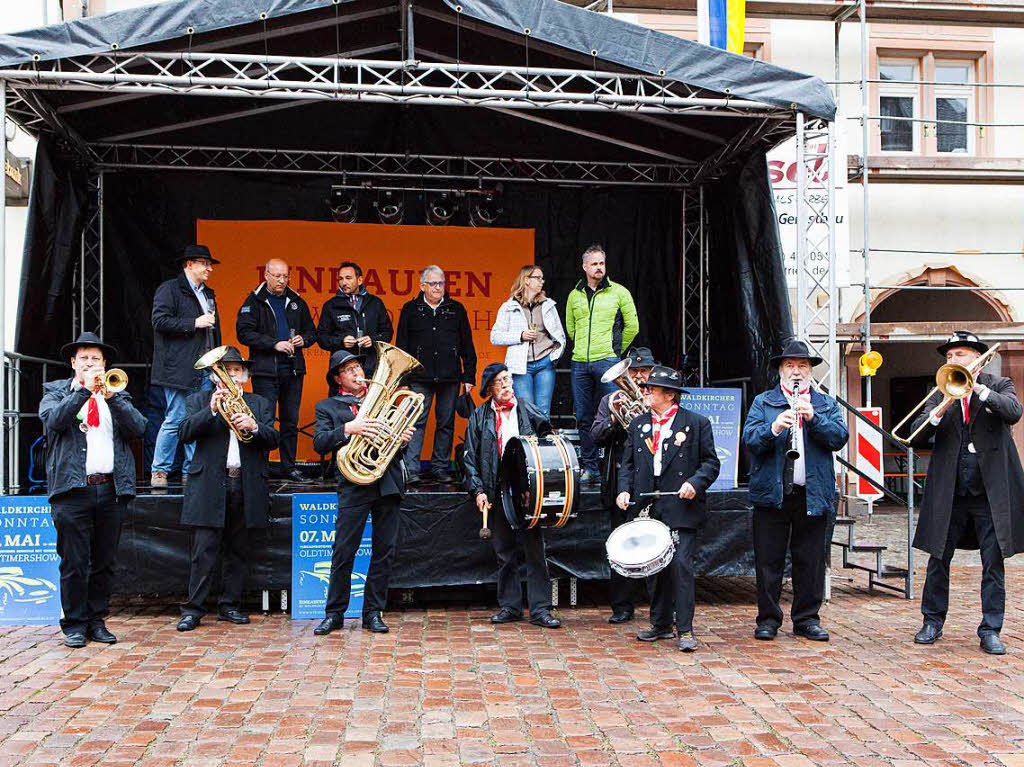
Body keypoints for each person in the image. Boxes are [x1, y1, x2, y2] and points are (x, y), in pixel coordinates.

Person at [910, 330, 1024, 655]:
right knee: (937, 559)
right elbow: (915, 434)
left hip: (989, 494)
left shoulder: (998, 385)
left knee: (993, 563)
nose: (952, 361)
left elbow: (1014, 411)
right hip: (951, 493)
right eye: (948, 356)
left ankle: (991, 628)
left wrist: (982, 392)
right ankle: (932, 621)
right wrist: (939, 411)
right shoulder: (940, 391)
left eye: (959, 355)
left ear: (977, 357)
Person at [38, 332, 147, 648]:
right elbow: (54, 422)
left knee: (104, 561)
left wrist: (111, 398)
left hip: (110, 490)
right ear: (73, 363)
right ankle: (74, 624)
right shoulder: (55, 392)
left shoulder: (117, 395)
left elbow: (139, 428)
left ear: (105, 364)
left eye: (95, 359)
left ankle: (97, 621)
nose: (90, 363)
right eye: (84, 358)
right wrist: (82, 392)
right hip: (72, 491)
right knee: (73, 561)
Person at [742, 339, 849, 643]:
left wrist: (813, 418)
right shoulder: (764, 402)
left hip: (812, 493)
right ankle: (768, 619)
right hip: (772, 494)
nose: (797, 371)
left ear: (811, 371)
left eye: (803, 365)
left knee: (811, 560)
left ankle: (806, 619)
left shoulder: (825, 403)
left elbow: (840, 437)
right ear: (780, 370)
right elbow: (749, 442)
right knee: (768, 561)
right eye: (790, 365)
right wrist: (774, 427)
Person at [311, 350, 415, 635]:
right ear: (337, 378)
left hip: (387, 483)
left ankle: (373, 612)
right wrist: (348, 428)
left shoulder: (384, 401)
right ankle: (334, 613)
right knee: (344, 550)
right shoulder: (328, 407)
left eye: (358, 367)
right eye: (349, 370)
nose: (357, 373)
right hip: (353, 484)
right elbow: (319, 443)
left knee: (384, 551)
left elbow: (397, 445)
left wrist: (402, 438)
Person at [616, 366, 719, 652]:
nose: (645, 392)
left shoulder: (697, 423)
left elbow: (711, 463)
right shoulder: (638, 425)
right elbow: (627, 464)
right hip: (648, 505)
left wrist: (695, 483)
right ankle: (660, 623)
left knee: (681, 566)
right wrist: (624, 490)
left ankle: (684, 628)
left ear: (670, 395)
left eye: (652, 389)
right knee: (654, 567)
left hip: (681, 504)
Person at [175, 346, 278, 631]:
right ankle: (193, 610)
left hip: (245, 483)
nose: (230, 375)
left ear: (244, 376)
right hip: (210, 483)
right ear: (214, 377)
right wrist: (210, 410)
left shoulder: (259, 404)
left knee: (238, 549)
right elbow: (184, 433)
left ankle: (229, 606)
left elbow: (274, 439)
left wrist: (255, 427)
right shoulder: (198, 400)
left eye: (235, 370)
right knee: (203, 551)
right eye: (225, 370)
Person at [463, 363, 562, 628]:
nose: (506, 385)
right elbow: (469, 458)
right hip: (497, 490)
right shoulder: (480, 416)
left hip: (527, 490)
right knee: (504, 553)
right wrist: (479, 491)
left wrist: (539, 484)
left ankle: (541, 609)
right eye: (500, 382)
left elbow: (549, 441)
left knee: (535, 551)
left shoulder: (527, 408)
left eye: (508, 379)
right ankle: (510, 606)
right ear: (489, 389)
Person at [591, 346, 658, 624]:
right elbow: (595, 434)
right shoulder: (611, 400)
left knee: (658, 541)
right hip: (621, 479)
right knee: (620, 542)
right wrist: (615, 422)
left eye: (644, 371)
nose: (639, 377)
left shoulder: (663, 397)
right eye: (634, 372)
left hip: (653, 479)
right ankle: (622, 605)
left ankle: (661, 606)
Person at [236, 258, 317, 483]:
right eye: (277, 276)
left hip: (292, 370)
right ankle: (260, 467)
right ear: (266, 275)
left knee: (291, 421)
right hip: (265, 372)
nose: (282, 280)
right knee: (264, 420)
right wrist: (274, 343)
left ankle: (289, 468)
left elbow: (313, 331)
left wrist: (305, 339)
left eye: (285, 276)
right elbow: (243, 333)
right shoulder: (254, 301)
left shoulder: (296, 301)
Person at [395, 266, 477, 484]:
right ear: (422, 285)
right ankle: (411, 470)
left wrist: (469, 377)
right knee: (416, 422)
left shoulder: (456, 309)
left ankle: (440, 467)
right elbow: (400, 347)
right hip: (419, 378)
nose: (438, 288)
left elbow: (467, 345)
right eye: (433, 283)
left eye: (441, 283)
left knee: (446, 423)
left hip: (450, 377)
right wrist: (402, 380)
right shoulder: (410, 309)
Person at [566, 244, 639, 483]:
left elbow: (633, 326)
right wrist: (580, 348)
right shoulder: (574, 294)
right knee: (584, 417)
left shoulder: (619, 292)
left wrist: (614, 351)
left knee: (616, 415)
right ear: (584, 266)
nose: (599, 268)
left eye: (602, 263)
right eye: (594, 264)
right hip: (579, 363)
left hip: (608, 361)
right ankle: (591, 469)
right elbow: (571, 328)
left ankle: (617, 468)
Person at [150, 244, 222, 488]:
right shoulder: (169, 289)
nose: (209, 269)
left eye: (210, 264)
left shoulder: (209, 294)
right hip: (178, 368)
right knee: (175, 418)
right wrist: (194, 322)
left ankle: (191, 470)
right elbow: (159, 321)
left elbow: (214, 333)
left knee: (197, 419)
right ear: (189, 264)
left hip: (204, 367)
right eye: (205, 263)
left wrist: (217, 366)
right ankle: (159, 470)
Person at [490, 265, 566, 419]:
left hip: (545, 363)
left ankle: (543, 442)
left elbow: (560, 335)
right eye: (537, 278)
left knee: (543, 410)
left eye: (542, 278)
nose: (541, 282)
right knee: (526, 411)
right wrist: (520, 335)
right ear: (526, 280)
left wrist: (554, 356)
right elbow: (495, 337)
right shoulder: (508, 307)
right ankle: (529, 443)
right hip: (521, 367)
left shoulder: (548, 305)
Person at [318, 261, 394, 382]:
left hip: (371, 368)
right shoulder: (330, 305)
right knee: (342, 401)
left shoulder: (375, 303)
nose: (344, 282)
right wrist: (341, 341)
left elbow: (387, 332)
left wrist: (372, 340)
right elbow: (322, 338)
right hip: (343, 371)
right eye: (340, 279)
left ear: (359, 280)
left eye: (348, 278)